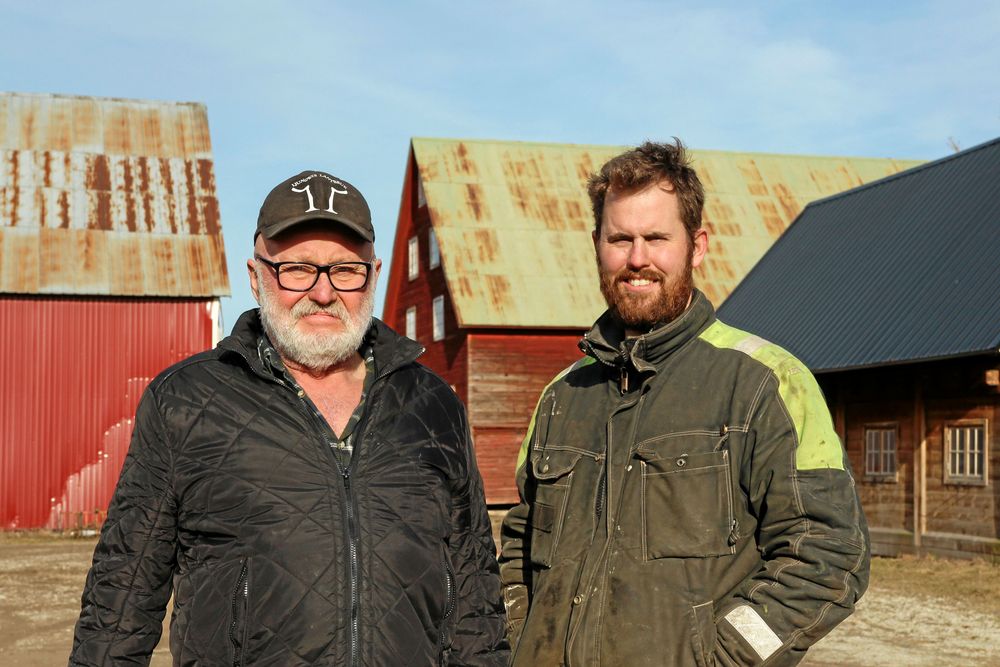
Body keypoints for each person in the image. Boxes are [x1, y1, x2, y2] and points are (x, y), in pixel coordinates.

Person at [70, 171, 509, 666]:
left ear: (374, 274)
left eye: (345, 270)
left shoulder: (433, 403)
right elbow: (122, 595)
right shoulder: (186, 401)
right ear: (255, 275)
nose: (322, 292)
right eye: (297, 269)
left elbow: (475, 595)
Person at [499, 141, 869, 666]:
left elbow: (827, 555)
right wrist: (521, 638)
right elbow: (518, 547)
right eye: (620, 239)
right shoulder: (562, 396)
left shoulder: (766, 383)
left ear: (697, 246)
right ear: (597, 245)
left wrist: (722, 658)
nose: (637, 259)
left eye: (656, 238)